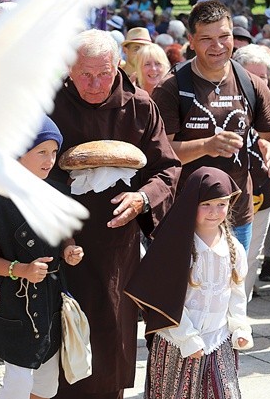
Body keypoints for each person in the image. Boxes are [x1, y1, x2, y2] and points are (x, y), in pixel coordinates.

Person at [49, 29, 181, 399]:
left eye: (104, 73)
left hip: (116, 241)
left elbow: (167, 169)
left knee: (111, 335)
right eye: (85, 75)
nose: (95, 84)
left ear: (118, 66)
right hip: (62, 236)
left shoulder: (140, 105)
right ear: (69, 70)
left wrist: (142, 198)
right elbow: (28, 168)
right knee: (63, 334)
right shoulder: (49, 105)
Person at [152, 0, 270, 253]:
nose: (218, 46)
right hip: (185, 214)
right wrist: (206, 146)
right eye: (207, 39)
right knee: (187, 291)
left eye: (224, 36)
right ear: (191, 40)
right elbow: (158, 154)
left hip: (238, 214)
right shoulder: (172, 87)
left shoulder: (250, 83)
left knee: (234, 288)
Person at [125, 167, 253, 398]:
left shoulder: (233, 249)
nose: (214, 212)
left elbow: (236, 294)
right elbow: (163, 299)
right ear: (190, 204)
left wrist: (240, 327)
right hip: (178, 342)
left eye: (221, 204)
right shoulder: (176, 249)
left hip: (218, 339)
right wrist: (187, 336)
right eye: (206, 204)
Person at [0, 116, 84, 399]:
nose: (49, 160)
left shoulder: (58, 193)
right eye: (41, 151)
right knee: (18, 380)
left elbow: (65, 234)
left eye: (53, 152)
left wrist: (69, 249)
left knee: (47, 384)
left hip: (51, 300)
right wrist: (21, 269)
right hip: (15, 304)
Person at [231, 44, 270, 299]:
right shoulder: (220, 102)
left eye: (263, 77)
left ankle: (239, 323)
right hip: (225, 197)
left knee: (249, 261)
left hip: (261, 196)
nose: (258, 82)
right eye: (251, 76)